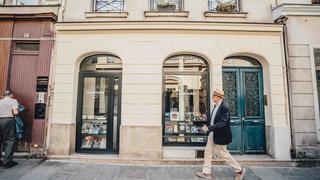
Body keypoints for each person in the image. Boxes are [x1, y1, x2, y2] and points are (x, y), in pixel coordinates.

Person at [195, 89, 245, 180]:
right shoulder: (216, 106)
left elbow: (222, 123)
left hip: (221, 134)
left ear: (218, 97)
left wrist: (209, 128)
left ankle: (239, 170)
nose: (212, 97)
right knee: (208, 152)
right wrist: (207, 125)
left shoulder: (224, 107)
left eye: (214, 95)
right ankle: (206, 173)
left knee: (223, 154)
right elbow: (214, 120)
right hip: (213, 133)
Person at [0, 90, 19, 168]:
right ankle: (7, 162)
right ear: (11, 95)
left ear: (3, 95)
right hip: (8, 120)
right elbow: (15, 113)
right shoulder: (13, 101)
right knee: (10, 140)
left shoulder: (0, 101)